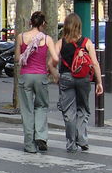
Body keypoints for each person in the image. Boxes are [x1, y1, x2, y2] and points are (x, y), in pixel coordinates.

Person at [52, 12, 103, 153]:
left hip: (66, 77)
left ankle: (71, 143)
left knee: (68, 112)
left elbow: (52, 62)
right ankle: (82, 138)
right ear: (79, 26)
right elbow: (95, 63)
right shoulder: (87, 42)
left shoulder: (60, 43)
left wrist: (56, 75)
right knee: (83, 109)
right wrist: (99, 82)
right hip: (83, 78)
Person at [16, 11, 58, 153]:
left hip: (25, 75)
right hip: (41, 76)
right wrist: (48, 66)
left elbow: (17, 58)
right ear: (43, 23)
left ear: (31, 22)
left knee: (27, 110)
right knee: (41, 106)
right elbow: (56, 58)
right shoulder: (47, 39)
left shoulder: (21, 37)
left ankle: (29, 144)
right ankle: (40, 135)